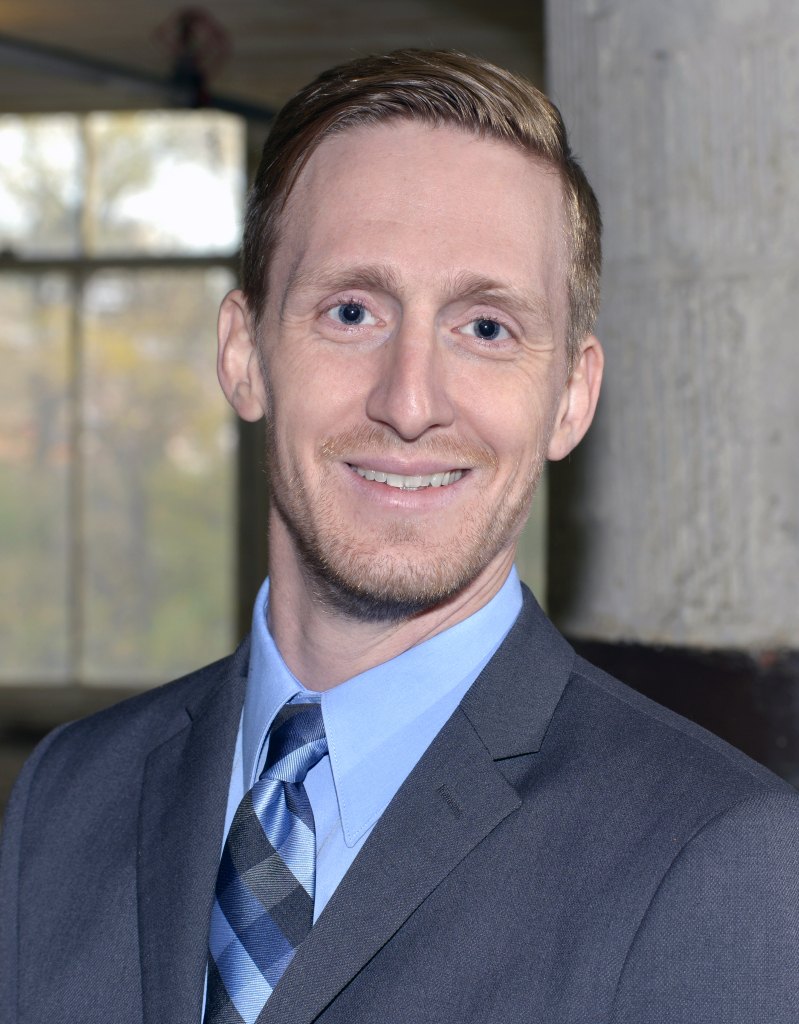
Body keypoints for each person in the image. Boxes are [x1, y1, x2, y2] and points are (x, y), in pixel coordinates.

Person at [1, 49, 797, 1024]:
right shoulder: (69, 792)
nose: (409, 401)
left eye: (486, 328)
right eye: (351, 311)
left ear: (570, 397)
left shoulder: (715, 856)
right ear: (244, 355)